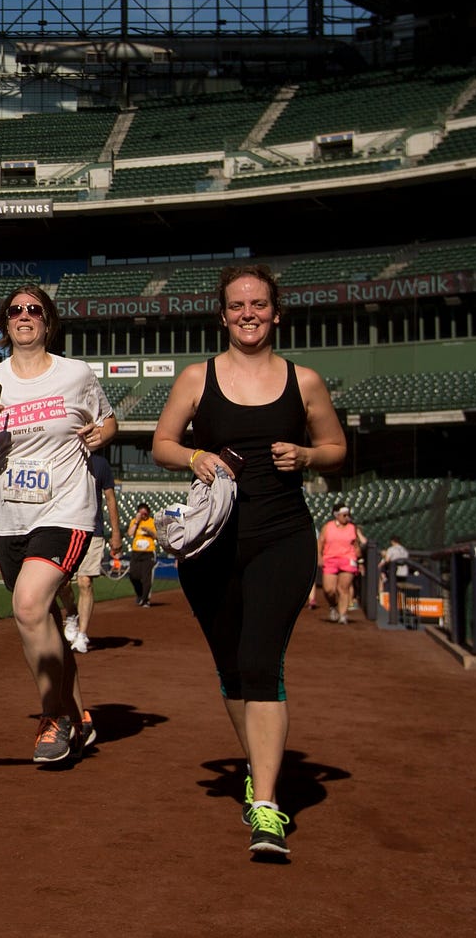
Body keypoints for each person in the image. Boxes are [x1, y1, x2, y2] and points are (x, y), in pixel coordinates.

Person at [151, 264, 346, 858]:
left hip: (282, 539)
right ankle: (256, 770)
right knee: (233, 668)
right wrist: (193, 459)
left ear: (276, 311)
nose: (248, 313)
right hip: (211, 544)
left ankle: (266, 805)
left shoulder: (304, 380)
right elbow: (161, 443)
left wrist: (308, 454)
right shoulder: (196, 377)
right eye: (237, 305)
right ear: (223, 315)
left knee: (262, 662)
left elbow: (338, 449)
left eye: (258, 304)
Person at [0, 285, 116, 765]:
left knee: (28, 605)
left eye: (34, 310)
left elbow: (108, 423)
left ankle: (52, 716)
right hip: (8, 517)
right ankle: (79, 716)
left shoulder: (75, 375)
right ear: (4, 325)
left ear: (48, 321)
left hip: (65, 509)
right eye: (15, 310)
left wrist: (104, 432)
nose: (24, 316)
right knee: (44, 619)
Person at [57, 453, 121, 653]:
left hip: (92, 531)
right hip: (63, 529)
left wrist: (116, 533)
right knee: (61, 583)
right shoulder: (63, 456)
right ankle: (71, 612)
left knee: (85, 581)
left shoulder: (100, 463)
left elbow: (110, 498)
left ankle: (82, 634)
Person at [317, 503, 366, 624]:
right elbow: (320, 542)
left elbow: (356, 546)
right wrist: (319, 556)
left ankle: (343, 615)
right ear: (336, 515)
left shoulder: (352, 528)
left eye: (347, 515)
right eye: (344, 515)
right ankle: (333, 606)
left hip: (348, 559)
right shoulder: (328, 527)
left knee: (343, 588)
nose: (346, 517)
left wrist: (360, 562)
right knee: (329, 590)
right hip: (330, 559)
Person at [126, 503, 157, 606]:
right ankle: (140, 594)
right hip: (136, 552)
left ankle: (145, 599)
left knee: (146, 577)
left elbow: (157, 536)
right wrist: (136, 522)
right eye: (141, 513)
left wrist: (149, 531)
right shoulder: (135, 522)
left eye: (145, 513)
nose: (143, 515)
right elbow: (130, 533)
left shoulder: (152, 522)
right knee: (133, 575)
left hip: (148, 552)